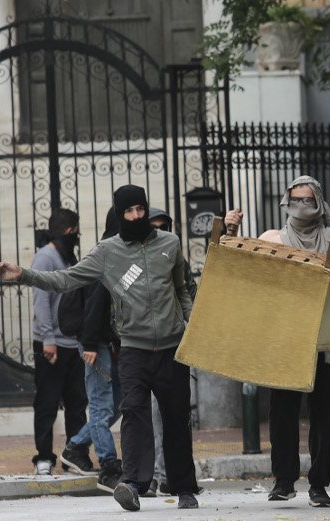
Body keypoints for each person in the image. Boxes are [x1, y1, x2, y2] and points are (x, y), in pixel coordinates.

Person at [0, 185, 200, 511]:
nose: (136, 216)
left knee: (176, 419)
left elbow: (183, 289)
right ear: (120, 215)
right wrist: (24, 274)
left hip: (172, 348)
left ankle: (185, 488)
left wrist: (194, 328)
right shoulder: (108, 252)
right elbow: (65, 279)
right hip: (133, 348)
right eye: (129, 211)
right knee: (133, 415)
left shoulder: (170, 244)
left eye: (140, 210)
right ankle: (132, 483)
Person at [224, 175, 330, 508]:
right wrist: (230, 232)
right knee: (283, 415)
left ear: (319, 201)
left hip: (323, 342)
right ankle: (284, 481)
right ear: (285, 203)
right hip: (285, 342)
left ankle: (319, 485)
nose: (302, 207)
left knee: (323, 416)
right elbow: (240, 268)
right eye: (296, 200)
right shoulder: (273, 238)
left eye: (308, 200)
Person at [60, 207, 124, 493]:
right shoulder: (107, 254)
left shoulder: (118, 253)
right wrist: (88, 344)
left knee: (119, 403)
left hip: (104, 342)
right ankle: (109, 467)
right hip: (93, 343)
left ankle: (74, 447)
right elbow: (96, 303)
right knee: (101, 406)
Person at [29, 209, 91, 476]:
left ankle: (74, 456)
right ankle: (44, 457)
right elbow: (41, 301)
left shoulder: (68, 257)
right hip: (52, 344)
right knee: (47, 403)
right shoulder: (45, 257)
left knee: (77, 404)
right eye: (74, 231)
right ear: (68, 231)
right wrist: (48, 340)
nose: (76, 236)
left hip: (72, 343)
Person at [145, 207, 198, 497]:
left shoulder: (177, 259)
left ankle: (174, 477)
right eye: (155, 227)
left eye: (165, 226)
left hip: (176, 346)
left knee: (176, 415)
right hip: (146, 348)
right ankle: (154, 475)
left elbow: (189, 293)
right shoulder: (137, 260)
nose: (161, 232)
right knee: (151, 415)